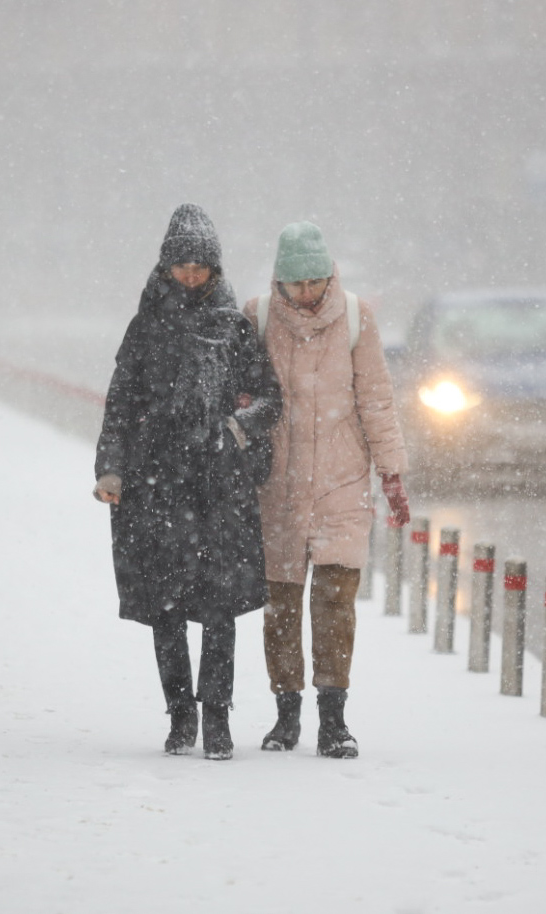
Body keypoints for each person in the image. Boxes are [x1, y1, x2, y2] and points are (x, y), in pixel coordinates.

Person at [94, 204, 282, 760]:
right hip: (156, 488)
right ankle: (180, 715)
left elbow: (269, 398)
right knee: (167, 607)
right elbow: (121, 403)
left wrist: (235, 427)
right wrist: (111, 467)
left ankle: (217, 717)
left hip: (218, 487)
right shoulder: (145, 327)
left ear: (216, 269)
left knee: (219, 607)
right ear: (166, 266)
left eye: (202, 265)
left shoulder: (234, 327)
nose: (193, 274)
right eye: (183, 265)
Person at [245, 222, 410, 759]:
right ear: (280, 282)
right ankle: (285, 714)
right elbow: (244, 396)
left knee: (336, 602)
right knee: (282, 605)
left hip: (342, 483)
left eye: (316, 281)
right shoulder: (258, 317)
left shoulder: (357, 319)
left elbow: (377, 400)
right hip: (279, 485)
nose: (308, 293)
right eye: (298, 284)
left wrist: (391, 473)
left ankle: (333, 720)